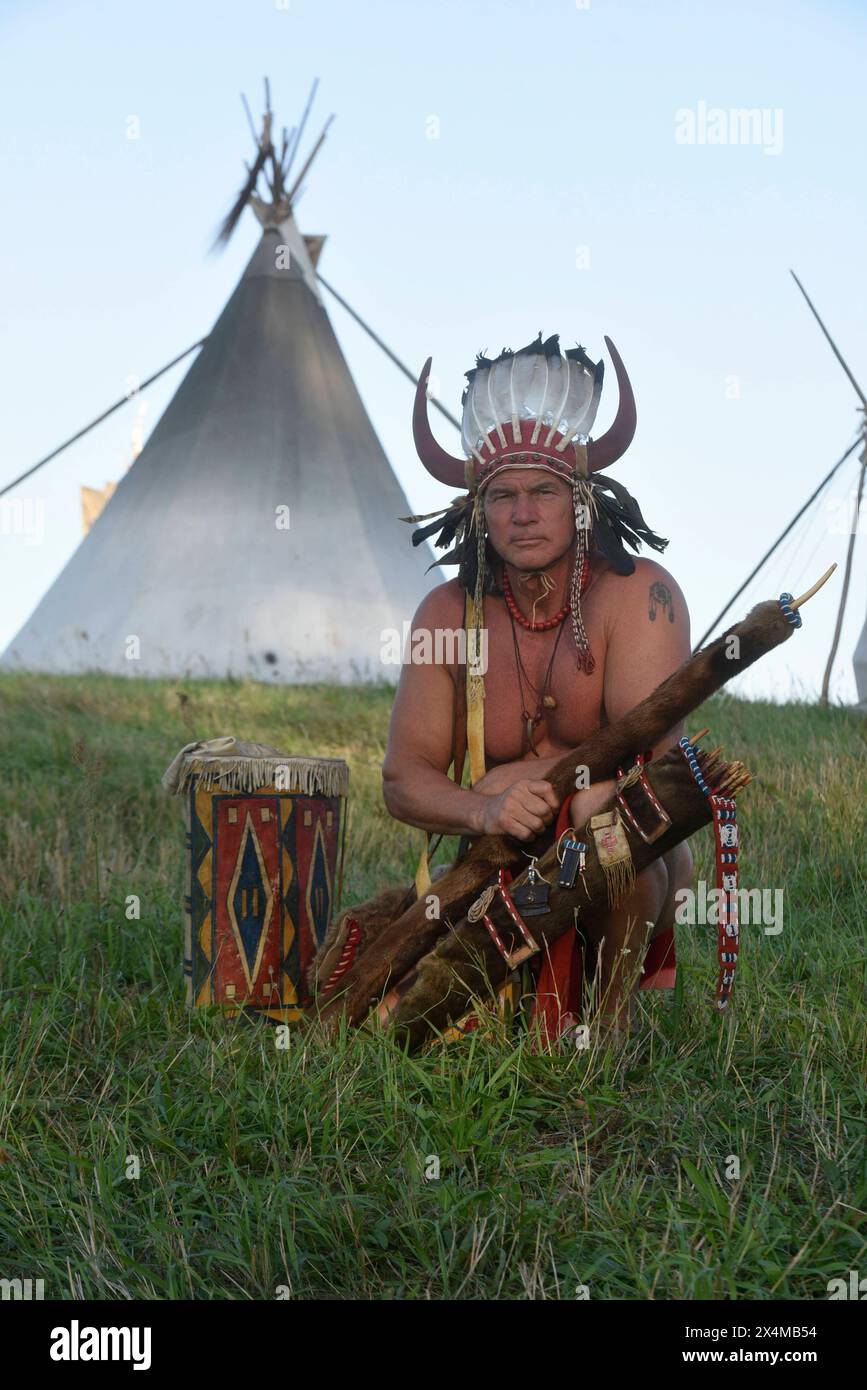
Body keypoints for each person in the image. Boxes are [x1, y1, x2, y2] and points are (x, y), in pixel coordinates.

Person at [381, 332, 693, 1035]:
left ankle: (609, 1029)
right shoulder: (445, 613)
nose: (523, 514)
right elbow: (403, 779)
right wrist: (483, 812)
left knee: (597, 806)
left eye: (544, 492)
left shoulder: (640, 594)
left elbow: (649, 760)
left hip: (639, 853)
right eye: (503, 496)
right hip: (499, 868)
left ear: (579, 502)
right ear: (478, 513)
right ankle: (515, 998)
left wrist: (514, 776)